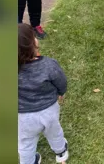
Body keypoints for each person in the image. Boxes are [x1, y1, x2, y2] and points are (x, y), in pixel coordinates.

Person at [18, 23, 69, 164]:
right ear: (32, 44)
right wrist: (61, 92)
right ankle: (61, 152)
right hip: (49, 112)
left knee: (25, 143)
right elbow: (61, 81)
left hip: (22, 117)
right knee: (54, 132)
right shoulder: (48, 65)